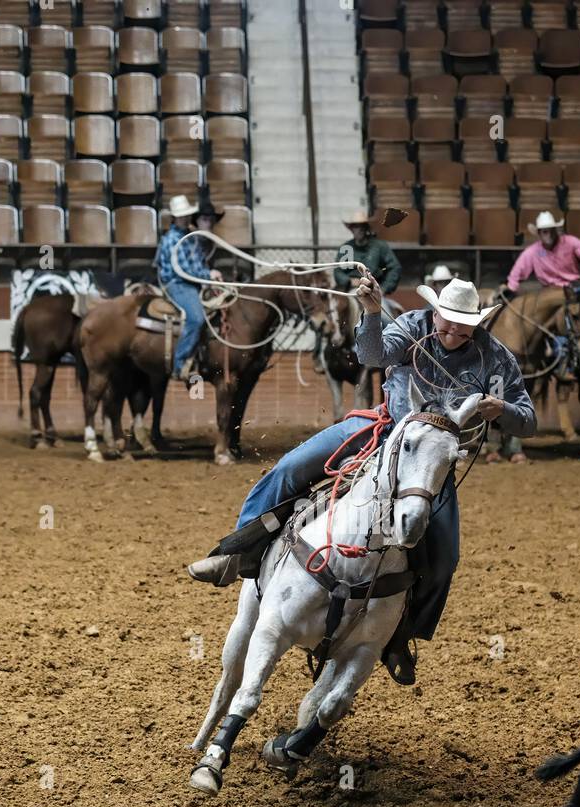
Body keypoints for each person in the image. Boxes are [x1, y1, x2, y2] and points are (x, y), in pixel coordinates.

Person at [187, 274, 537, 685]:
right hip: (382, 430)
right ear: (436, 311)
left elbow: (527, 420)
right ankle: (236, 552)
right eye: (445, 320)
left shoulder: (494, 359)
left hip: (426, 462)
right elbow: (372, 355)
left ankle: (400, 637)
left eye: (461, 325)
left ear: (476, 324)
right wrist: (372, 312)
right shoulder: (413, 326)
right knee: (290, 469)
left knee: (443, 560)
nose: (451, 330)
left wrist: (504, 412)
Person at [154, 194, 223, 384]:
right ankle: (180, 363)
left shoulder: (190, 237)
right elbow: (184, 270)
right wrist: (208, 275)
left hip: (192, 283)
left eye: (187, 215)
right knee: (196, 318)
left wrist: (210, 274)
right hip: (177, 284)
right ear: (175, 217)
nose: (185, 218)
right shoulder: (172, 239)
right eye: (181, 215)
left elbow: (198, 264)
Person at [499, 211, 580, 301]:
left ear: (556, 231)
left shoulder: (570, 242)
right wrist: (509, 288)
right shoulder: (532, 252)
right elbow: (516, 273)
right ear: (539, 233)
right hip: (549, 292)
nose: (549, 234)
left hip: (573, 288)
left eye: (552, 230)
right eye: (545, 232)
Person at [333, 209, 401, 296]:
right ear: (351, 229)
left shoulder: (379, 246)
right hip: (350, 290)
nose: (359, 230)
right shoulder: (347, 248)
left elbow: (394, 268)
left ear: (366, 228)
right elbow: (338, 270)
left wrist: (384, 288)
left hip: (374, 290)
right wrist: (348, 281)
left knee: (383, 308)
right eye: (356, 226)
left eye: (362, 226)